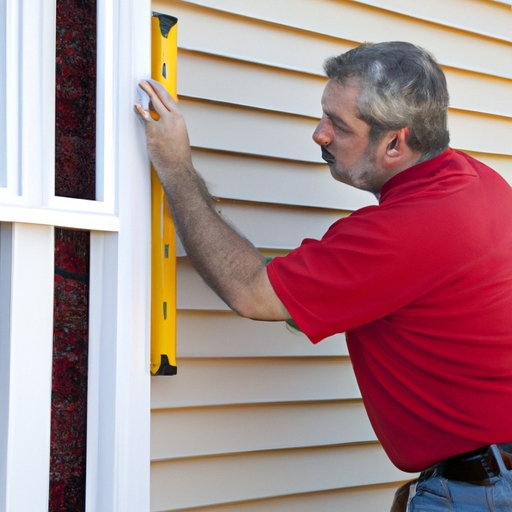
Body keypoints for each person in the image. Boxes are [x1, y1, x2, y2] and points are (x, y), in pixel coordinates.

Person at [135, 41, 512, 511]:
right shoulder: (480, 183)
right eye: (323, 115)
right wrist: (440, 480)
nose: (319, 134)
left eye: (338, 124)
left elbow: (252, 292)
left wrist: (175, 166)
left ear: (396, 142)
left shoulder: (405, 232)